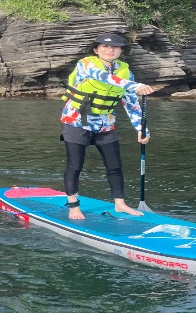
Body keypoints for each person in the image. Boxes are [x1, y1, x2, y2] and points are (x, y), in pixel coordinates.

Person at [59, 32, 154, 221]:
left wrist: (142, 129)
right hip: (77, 120)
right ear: (96, 50)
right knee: (75, 165)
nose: (110, 50)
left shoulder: (125, 72)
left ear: (121, 51)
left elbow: (131, 103)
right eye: (105, 46)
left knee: (115, 166)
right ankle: (73, 206)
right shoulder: (86, 64)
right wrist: (134, 85)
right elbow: (104, 77)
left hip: (105, 124)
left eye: (115, 47)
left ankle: (120, 204)